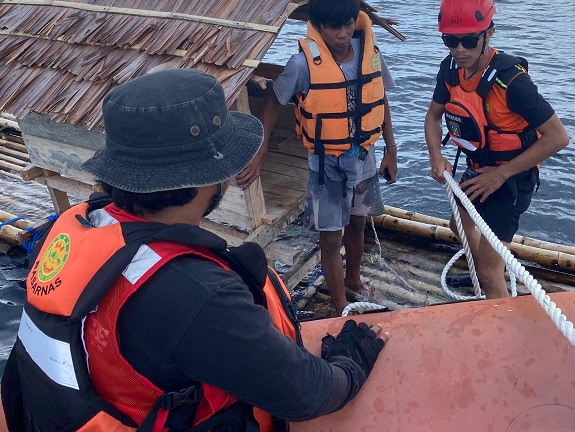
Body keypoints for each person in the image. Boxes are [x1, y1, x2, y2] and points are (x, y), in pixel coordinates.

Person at [1, 68, 388, 432]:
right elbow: (304, 393)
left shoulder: (76, 227)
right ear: (210, 177)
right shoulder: (198, 294)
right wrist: (350, 364)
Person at [237, 0, 398, 316]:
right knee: (330, 236)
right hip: (327, 164)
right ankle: (340, 304)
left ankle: (353, 279)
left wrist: (391, 149)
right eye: (332, 26)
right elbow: (272, 99)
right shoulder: (301, 64)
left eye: (348, 24)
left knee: (358, 224)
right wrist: (261, 148)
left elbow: (380, 99)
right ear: (318, 26)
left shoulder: (370, 55)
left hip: (365, 158)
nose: (342, 33)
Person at [424, 0, 569, 299]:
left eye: (469, 41)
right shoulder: (449, 70)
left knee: (491, 273)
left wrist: (501, 174)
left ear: (489, 33)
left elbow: (558, 138)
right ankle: (485, 273)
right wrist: (436, 156)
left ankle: (494, 297)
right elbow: (433, 116)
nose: (459, 50)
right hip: (478, 167)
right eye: (450, 40)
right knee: (457, 225)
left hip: (513, 177)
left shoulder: (511, 82)